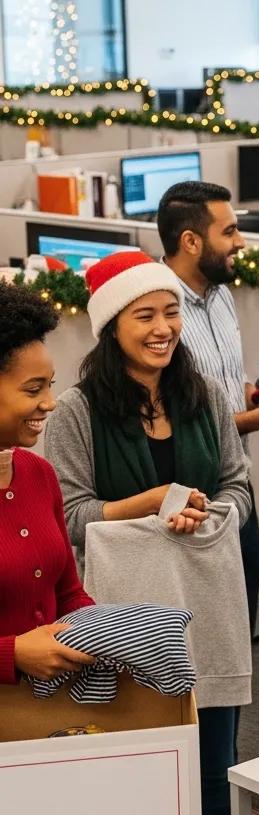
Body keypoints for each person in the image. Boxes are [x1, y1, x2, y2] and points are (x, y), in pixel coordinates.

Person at [45, 251, 252, 815]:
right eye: (145, 316)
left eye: (171, 313)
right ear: (112, 326)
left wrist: (208, 515)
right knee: (138, 762)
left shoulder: (206, 395)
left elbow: (238, 486)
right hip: (126, 616)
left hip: (207, 603)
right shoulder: (76, 413)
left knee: (214, 768)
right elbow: (70, 517)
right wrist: (154, 501)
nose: (163, 329)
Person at [158, 179, 259, 815]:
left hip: (232, 503)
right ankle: (192, 799)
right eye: (229, 231)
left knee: (234, 660)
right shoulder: (162, 315)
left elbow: (225, 390)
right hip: (186, 517)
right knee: (192, 666)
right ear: (192, 241)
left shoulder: (219, 302)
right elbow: (183, 423)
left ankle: (227, 786)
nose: (241, 242)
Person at [0, 283, 95, 685]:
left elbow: (68, 592)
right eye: (33, 389)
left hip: (45, 711)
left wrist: (110, 631)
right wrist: (14, 653)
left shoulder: (39, 474)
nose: (50, 402)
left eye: (50, 385)